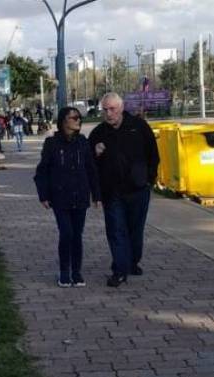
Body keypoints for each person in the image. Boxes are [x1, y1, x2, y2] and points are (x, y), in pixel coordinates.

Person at [88, 92, 160, 287]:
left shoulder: (138, 126)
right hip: (112, 192)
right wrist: (95, 152)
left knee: (135, 230)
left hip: (138, 189)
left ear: (121, 108)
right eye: (105, 109)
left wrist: (149, 180)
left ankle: (132, 261)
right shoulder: (98, 133)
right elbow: (89, 165)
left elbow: (153, 154)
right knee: (116, 230)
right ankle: (119, 270)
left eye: (112, 109)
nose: (108, 113)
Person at [34, 107, 101, 288]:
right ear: (64, 120)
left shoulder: (82, 142)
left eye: (79, 117)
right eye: (74, 117)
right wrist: (44, 195)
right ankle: (64, 272)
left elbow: (91, 170)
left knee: (77, 235)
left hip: (80, 196)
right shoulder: (52, 143)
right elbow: (42, 171)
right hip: (60, 197)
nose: (78, 120)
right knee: (66, 233)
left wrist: (96, 195)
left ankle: (77, 272)